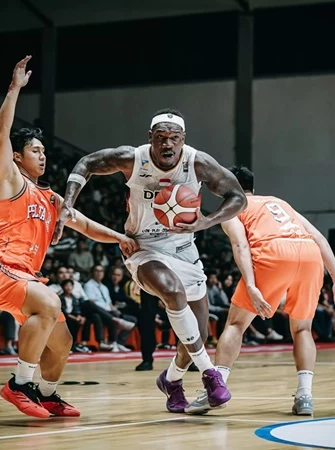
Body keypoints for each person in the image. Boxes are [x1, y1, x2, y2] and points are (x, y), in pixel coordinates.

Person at [0, 56, 139, 419]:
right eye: (35, 150)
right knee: (50, 302)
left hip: (24, 278)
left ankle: (47, 394)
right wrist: (14, 88)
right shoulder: (8, 182)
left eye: (44, 151)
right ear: (17, 158)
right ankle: (20, 384)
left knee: (62, 343)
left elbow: (86, 226)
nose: (43, 155)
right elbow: (0, 135)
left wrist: (121, 238)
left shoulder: (51, 199)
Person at [53, 109, 247, 412]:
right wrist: (68, 204)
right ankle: (211, 375)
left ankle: (171, 380)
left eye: (174, 138)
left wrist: (206, 222)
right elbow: (86, 163)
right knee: (172, 291)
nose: (167, 144)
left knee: (198, 334)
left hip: (184, 250)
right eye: (161, 138)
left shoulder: (197, 162)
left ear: (183, 139)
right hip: (143, 248)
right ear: (150, 138)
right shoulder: (133, 159)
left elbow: (238, 198)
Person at [184, 166, 335, 416]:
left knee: (236, 324)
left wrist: (251, 285)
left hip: (273, 254)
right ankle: (305, 395)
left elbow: (241, 245)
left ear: (225, 187)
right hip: (309, 255)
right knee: (302, 329)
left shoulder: (232, 207)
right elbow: (318, 237)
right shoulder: (279, 202)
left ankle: (216, 389)